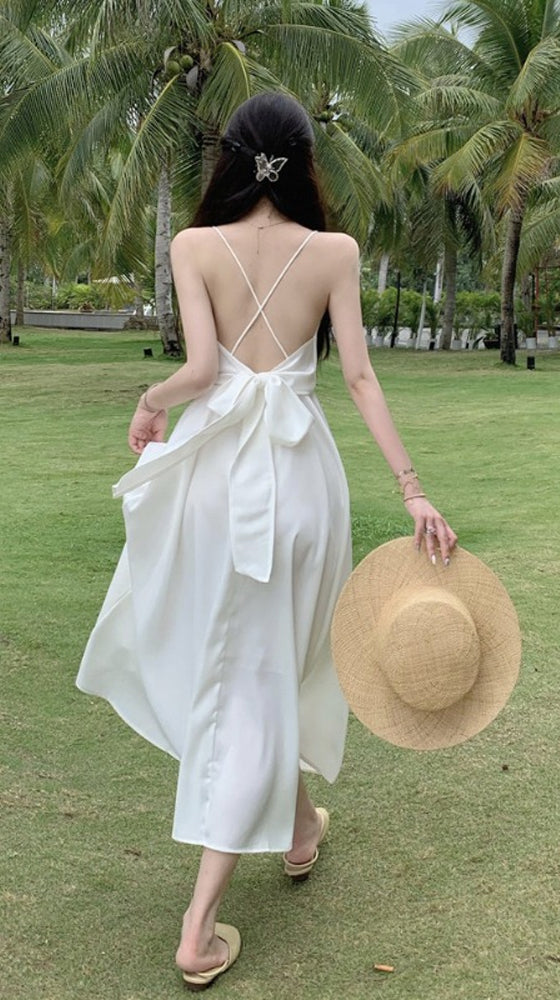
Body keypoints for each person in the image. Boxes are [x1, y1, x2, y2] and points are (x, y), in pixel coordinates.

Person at [77, 91, 457, 989]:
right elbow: (358, 375)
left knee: (255, 668)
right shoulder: (334, 252)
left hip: (215, 484)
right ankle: (199, 924)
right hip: (300, 483)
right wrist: (412, 489)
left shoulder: (192, 245)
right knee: (266, 670)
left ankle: (298, 829)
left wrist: (147, 402)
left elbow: (201, 372)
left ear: (233, 160)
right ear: (303, 162)